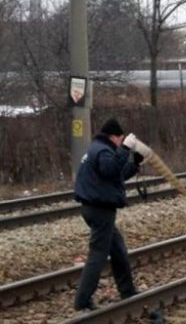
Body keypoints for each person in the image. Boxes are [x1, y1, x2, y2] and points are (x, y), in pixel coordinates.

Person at [73, 118, 144, 311]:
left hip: (94, 208)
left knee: (118, 250)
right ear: (114, 137)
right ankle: (82, 301)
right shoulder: (103, 150)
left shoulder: (98, 149)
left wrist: (134, 165)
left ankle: (127, 290)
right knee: (98, 255)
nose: (121, 143)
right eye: (121, 140)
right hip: (99, 209)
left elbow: (115, 174)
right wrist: (126, 149)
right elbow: (109, 168)